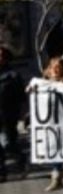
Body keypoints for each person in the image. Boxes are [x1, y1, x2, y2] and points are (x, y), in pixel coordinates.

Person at [39, 57, 63, 191]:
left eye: (58, 68)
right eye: (53, 68)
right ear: (49, 70)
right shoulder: (43, 84)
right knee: (54, 148)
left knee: (58, 149)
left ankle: (56, 178)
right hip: (50, 123)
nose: (55, 70)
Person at [0, 46, 26, 183]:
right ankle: (2, 172)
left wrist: (22, 116)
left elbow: (21, 97)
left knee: (7, 143)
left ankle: (21, 158)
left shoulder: (13, 75)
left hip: (8, 115)